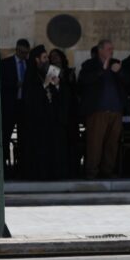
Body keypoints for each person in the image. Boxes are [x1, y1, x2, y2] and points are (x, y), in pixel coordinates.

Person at [79, 39, 128, 180]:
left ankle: (107, 171)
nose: (111, 51)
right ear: (100, 50)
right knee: (95, 143)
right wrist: (102, 70)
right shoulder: (90, 64)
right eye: (108, 49)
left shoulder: (116, 63)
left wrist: (119, 72)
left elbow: (129, 81)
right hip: (97, 111)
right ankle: (92, 172)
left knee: (112, 144)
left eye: (112, 49)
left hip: (115, 111)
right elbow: (83, 81)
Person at [22, 45, 69, 180]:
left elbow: (63, 95)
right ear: (37, 60)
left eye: (47, 57)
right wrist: (46, 85)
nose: (47, 60)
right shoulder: (31, 76)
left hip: (53, 120)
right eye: (44, 58)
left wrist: (58, 85)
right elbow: (31, 98)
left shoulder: (52, 72)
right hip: (38, 123)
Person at [0, 38, 30, 175]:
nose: (25, 55)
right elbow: (0, 84)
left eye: (26, 53)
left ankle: (23, 165)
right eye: (22, 52)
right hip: (10, 105)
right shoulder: (6, 64)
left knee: (24, 136)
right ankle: (5, 166)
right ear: (17, 50)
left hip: (24, 105)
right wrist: (15, 85)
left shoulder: (29, 64)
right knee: (5, 136)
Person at [49, 49, 80, 177]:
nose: (55, 59)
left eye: (57, 56)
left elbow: (75, 89)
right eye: (52, 57)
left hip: (71, 111)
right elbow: (49, 90)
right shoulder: (51, 72)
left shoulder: (69, 71)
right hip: (58, 113)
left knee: (72, 141)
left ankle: (73, 169)